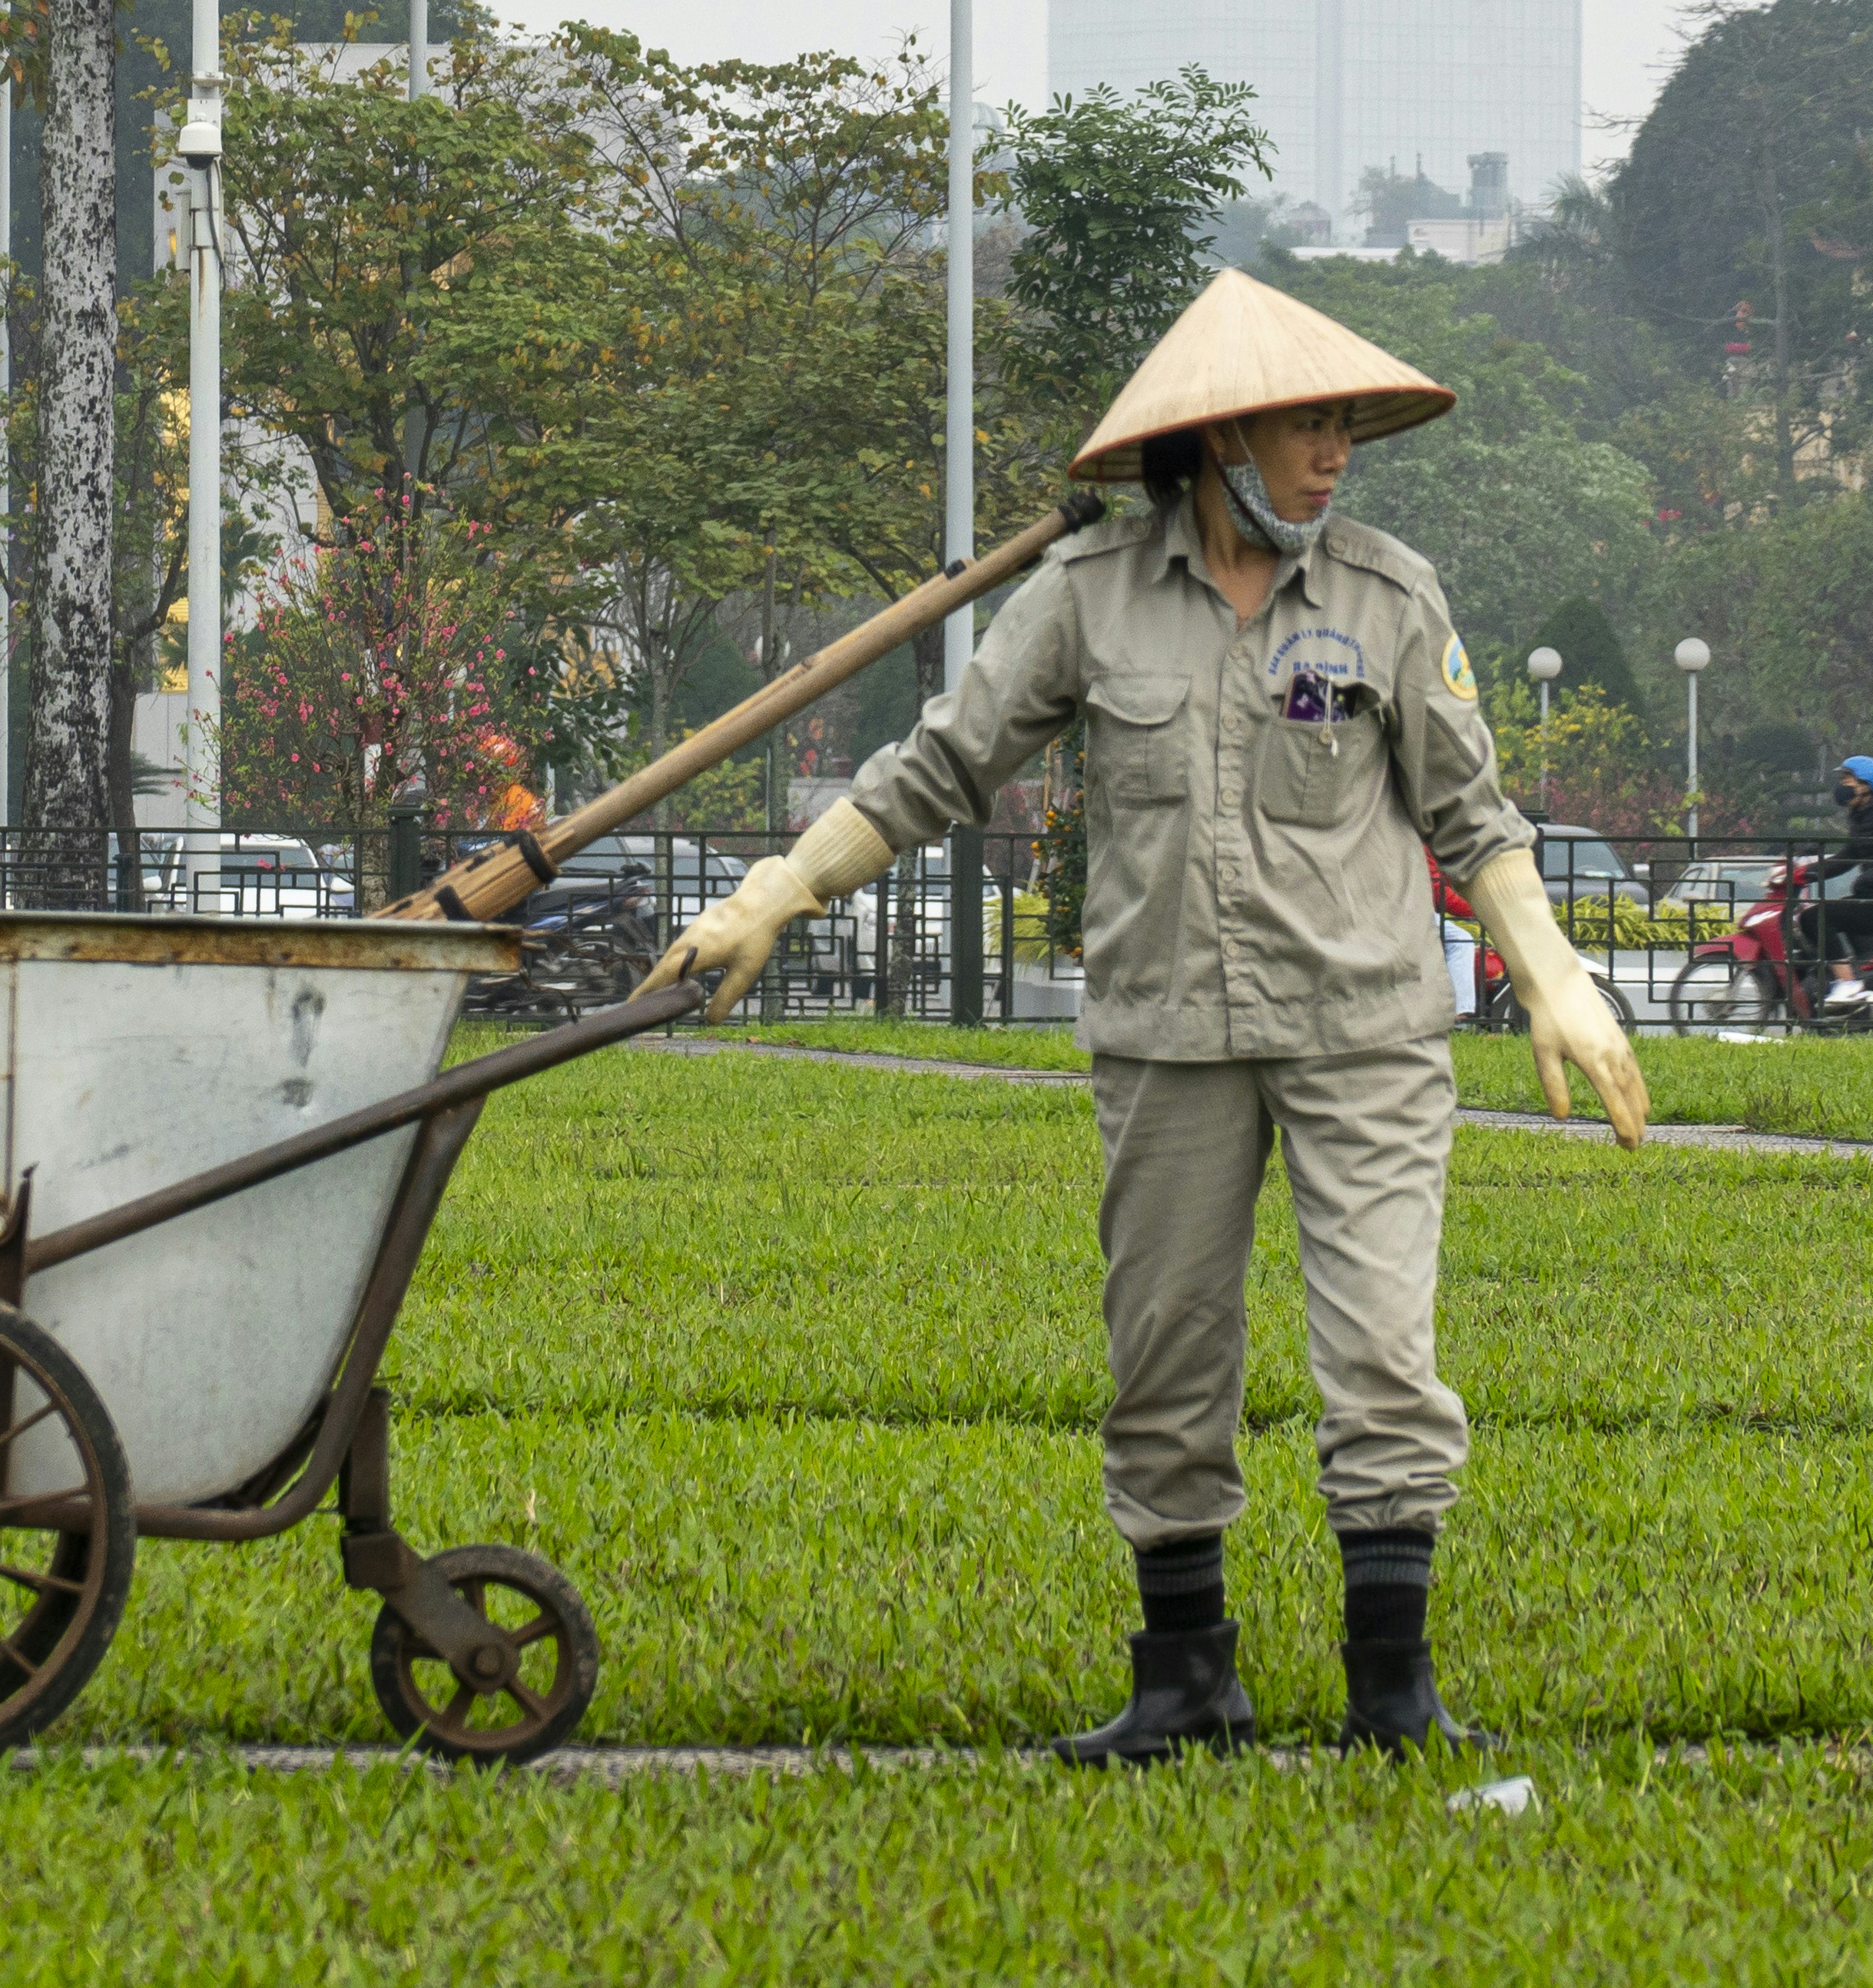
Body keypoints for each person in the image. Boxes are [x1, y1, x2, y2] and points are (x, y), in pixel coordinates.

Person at [640, 269, 1649, 1761]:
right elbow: (937, 769)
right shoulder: (1090, 599)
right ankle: (1187, 1680)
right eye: (1307, 422)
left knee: (1380, 1351)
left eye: (1345, 424)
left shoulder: (1387, 594)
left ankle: (1394, 1689)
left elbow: (1474, 815)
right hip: (1167, 1033)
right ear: (1221, 439)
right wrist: (773, 895)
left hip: (1363, 1030)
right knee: (1165, 1355)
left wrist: (1555, 970)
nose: (1335, 449)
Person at [1813, 755, 1873, 1007]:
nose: (1842, 785)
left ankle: (1848, 985)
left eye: (1847, 779)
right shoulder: (1862, 815)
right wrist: (1809, 872)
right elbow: (1849, 856)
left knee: (1817, 917)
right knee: (1812, 916)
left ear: (1866, 785)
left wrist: (1869, 879)